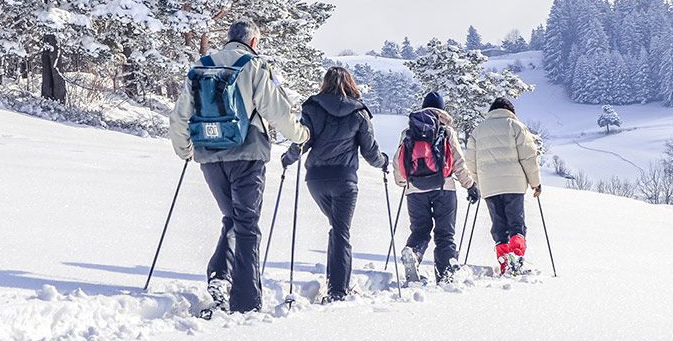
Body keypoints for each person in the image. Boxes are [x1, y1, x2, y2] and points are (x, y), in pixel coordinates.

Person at [169, 19, 309, 313]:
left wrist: (185, 150)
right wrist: (301, 136)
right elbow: (278, 111)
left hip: (208, 155)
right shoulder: (254, 65)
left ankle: (220, 277)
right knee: (246, 225)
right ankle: (246, 302)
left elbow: (180, 115)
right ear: (254, 42)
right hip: (247, 154)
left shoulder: (201, 66)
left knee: (232, 217)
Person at [281, 67, 387, 303]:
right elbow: (370, 152)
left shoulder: (312, 108)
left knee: (337, 229)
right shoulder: (359, 112)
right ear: (350, 83)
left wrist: (288, 159)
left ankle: (336, 282)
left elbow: (302, 141)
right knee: (341, 231)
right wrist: (384, 163)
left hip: (316, 180)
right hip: (344, 180)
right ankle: (338, 290)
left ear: (325, 83)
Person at [393, 92, 480, 283]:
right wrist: (470, 185)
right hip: (444, 187)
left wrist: (403, 183)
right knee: (445, 234)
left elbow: (398, 161)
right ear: (442, 109)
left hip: (414, 190)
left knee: (420, 230)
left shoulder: (409, 131)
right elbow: (458, 161)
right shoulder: (446, 130)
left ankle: (414, 253)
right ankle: (446, 274)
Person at [467, 97, 541, 275]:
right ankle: (516, 258)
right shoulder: (516, 126)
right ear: (510, 111)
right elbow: (528, 157)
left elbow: (470, 162)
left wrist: (479, 181)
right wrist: (535, 183)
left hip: (489, 187)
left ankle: (504, 264)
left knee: (499, 225)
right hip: (513, 185)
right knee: (516, 223)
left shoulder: (478, 131)